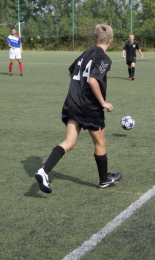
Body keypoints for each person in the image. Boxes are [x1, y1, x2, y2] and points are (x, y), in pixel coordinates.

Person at [35, 24, 122, 193]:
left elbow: (71, 72)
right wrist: (103, 102)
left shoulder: (85, 54)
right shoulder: (104, 58)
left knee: (69, 142)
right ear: (111, 41)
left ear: (95, 39)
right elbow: (92, 80)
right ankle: (103, 180)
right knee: (100, 142)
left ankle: (44, 171)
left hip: (72, 102)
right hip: (89, 106)